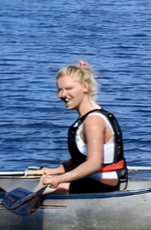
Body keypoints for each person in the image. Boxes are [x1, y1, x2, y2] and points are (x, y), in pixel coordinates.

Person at [38, 62, 127, 195]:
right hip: (92, 180)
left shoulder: (93, 121)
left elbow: (93, 164)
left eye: (68, 88)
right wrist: (56, 170)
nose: (61, 95)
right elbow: (82, 157)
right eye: (59, 89)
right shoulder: (86, 119)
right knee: (41, 185)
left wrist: (59, 179)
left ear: (85, 87)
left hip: (101, 185)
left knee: (43, 193)